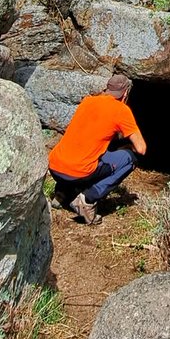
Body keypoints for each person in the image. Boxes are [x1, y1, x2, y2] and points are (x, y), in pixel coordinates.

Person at [47, 73, 146, 226]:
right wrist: (127, 147)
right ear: (126, 93)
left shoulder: (87, 101)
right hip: (79, 172)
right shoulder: (121, 110)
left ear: (107, 89)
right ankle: (87, 200)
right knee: (130, 159)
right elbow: (141, 148)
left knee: (82, 152)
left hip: (55, 167)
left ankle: (62, 194)